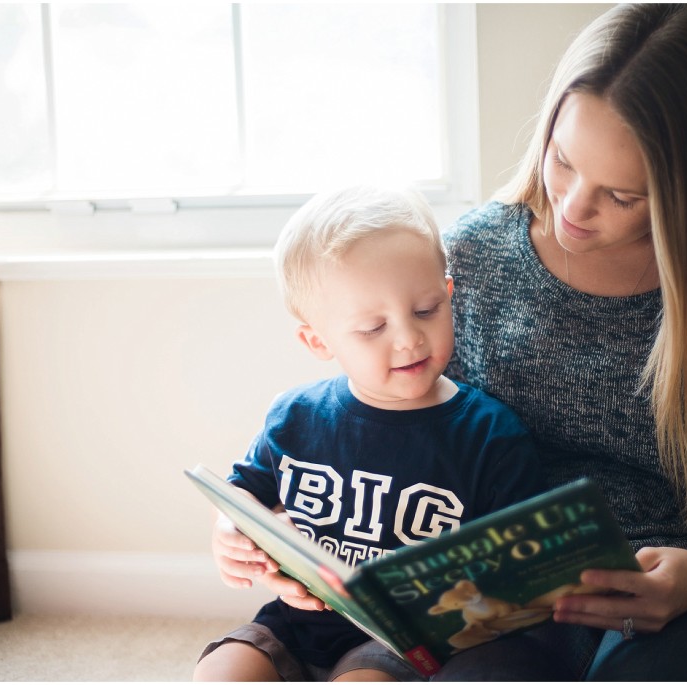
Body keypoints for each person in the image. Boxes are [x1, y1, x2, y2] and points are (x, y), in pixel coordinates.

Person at [434, 4, 687, 681]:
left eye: (621, 195)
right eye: (562, 160)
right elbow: (407, 428)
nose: (572, 207)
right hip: (515, 597)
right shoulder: (475, 255)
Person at [192, 186, 543, 682]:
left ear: (448, 294)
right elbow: (239, 496)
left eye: (425, 310)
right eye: (372, 327)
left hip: (397, 645)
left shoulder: (490, 433)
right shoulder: (294, 416)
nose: (408, 338)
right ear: (319, 340)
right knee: (219, 672)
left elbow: (525, 571)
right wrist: (230, 532)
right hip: (293, 623)